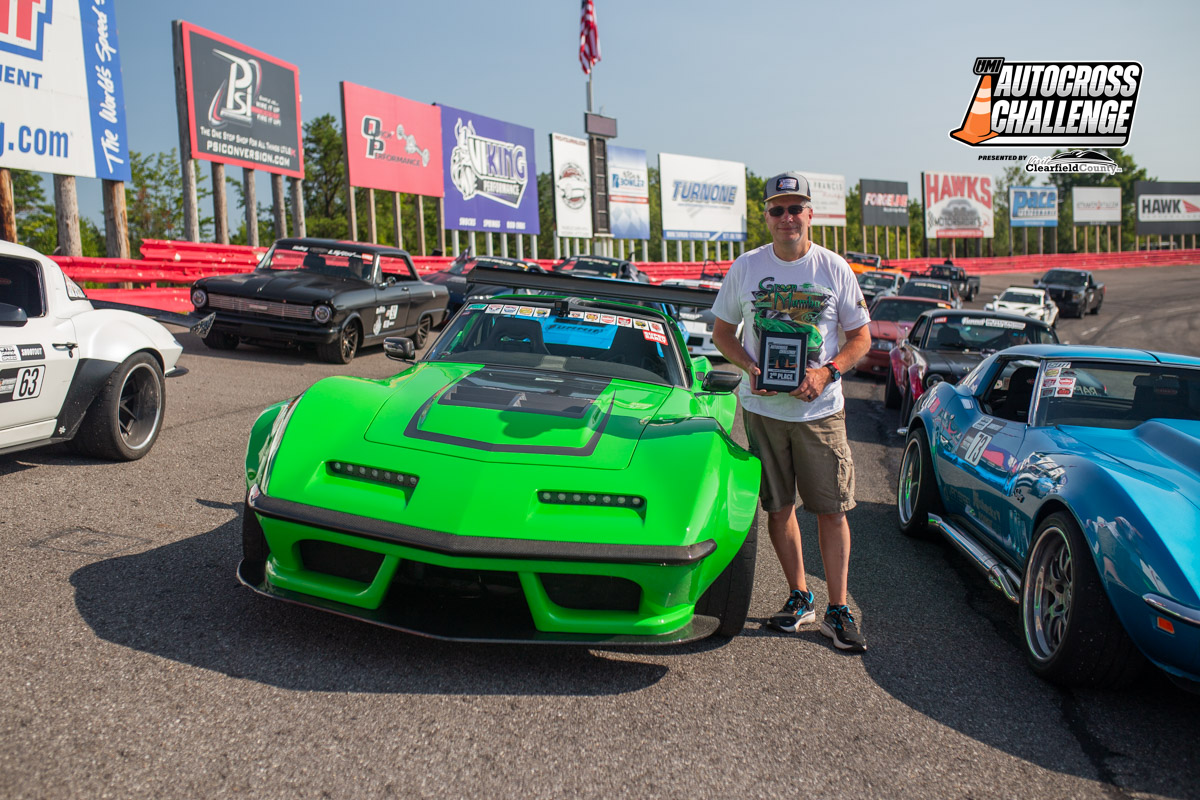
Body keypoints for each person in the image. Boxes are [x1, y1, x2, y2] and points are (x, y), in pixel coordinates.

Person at [711, 172, 872, 652]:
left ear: (809, 213)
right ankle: (800, 598)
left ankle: (838, 608)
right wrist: (748, 366)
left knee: (832, 510)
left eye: (794, 208)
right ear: (766, 216)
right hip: (762, 408)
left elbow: (861, 336)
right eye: (777, 209)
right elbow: (723, 333)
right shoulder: (746, 266)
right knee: (778, 510)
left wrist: (827, 373)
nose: (787, 217)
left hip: (820, 412)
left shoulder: (834, 268)